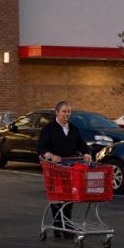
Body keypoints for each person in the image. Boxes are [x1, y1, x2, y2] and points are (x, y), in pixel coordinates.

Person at [37, 100, 92, 238]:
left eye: (69, 112)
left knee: (69, 197)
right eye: (64, 111)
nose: (67, 114)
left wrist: (86, 153)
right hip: (55, 168)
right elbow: (41, 148)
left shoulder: (73, 129)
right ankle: (58, 224)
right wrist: (50, 155)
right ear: (57, 113)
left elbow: (83, 145)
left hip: (70, 168)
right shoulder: (49, 129)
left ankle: (66, 224)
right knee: (57, 197)